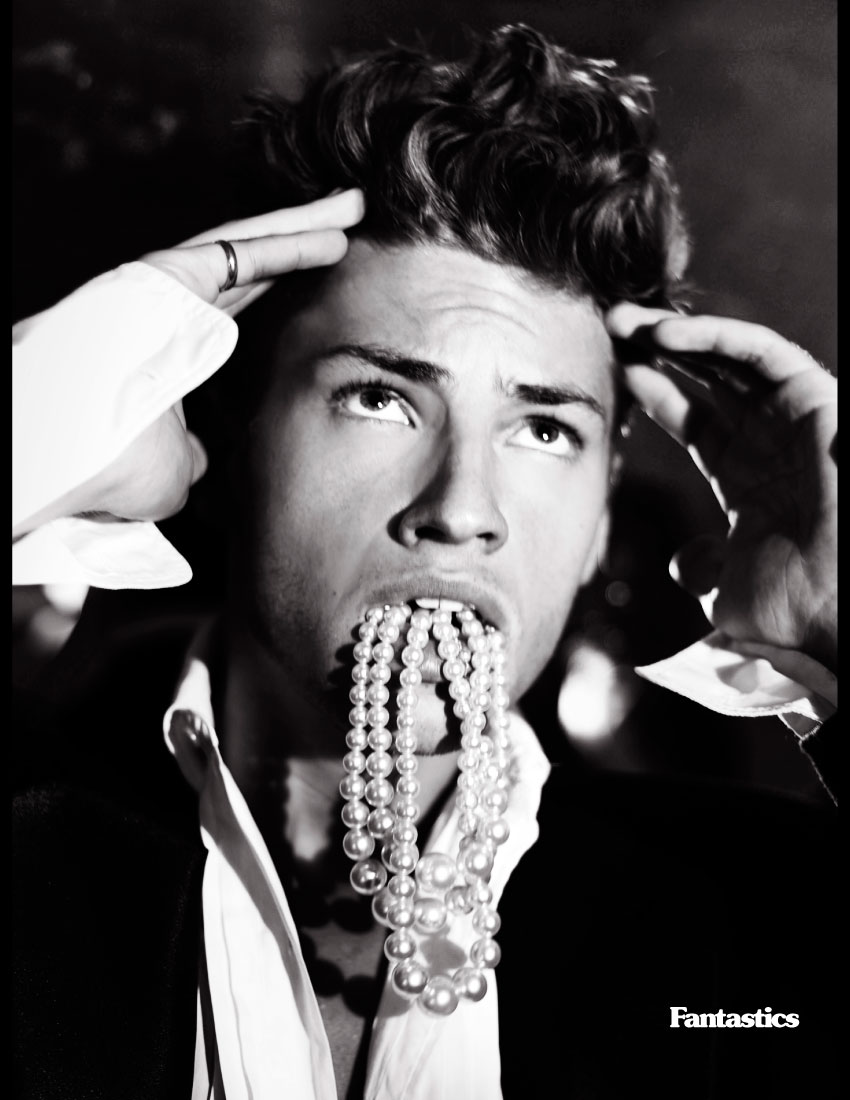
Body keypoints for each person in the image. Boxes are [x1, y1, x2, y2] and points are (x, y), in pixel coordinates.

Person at [12, 23, 837, 1100]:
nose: (461, 510)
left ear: (598, 518)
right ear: (235, 435)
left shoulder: (752, 917)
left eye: (544, 429)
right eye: (380, 398)